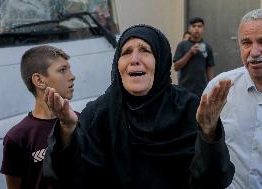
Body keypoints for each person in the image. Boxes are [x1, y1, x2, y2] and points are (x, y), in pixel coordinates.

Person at [43, 24, 234, 189]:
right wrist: (67, 130)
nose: (134, 59)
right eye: (126, 52)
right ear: (117, 64)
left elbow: (213, 182)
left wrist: (209, 134)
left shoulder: (189, 108)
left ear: (160, 61)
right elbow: (69, 180)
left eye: (145, 50)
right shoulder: (97, 114)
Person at [0, 45, 77, 189]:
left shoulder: (82, 121)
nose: (72, 76)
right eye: (62, 70)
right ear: (39, 80)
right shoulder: (17, 137)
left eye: (69, 69)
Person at [203, 9, 262, 189]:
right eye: (246, 43)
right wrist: (206, 132)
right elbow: (201, 150)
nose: (254, 52)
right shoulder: (219, 88)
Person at [173, 17, 215, 97]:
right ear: (189, 28)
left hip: (202, 90)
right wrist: (190, 53)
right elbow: (176, 67)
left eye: (199, 26)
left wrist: (212, 87)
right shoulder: (182, 45)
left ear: (203, 29)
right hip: (184, 89)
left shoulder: (207, 47)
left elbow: (210, 69)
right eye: (194, 26)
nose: (196, 29)